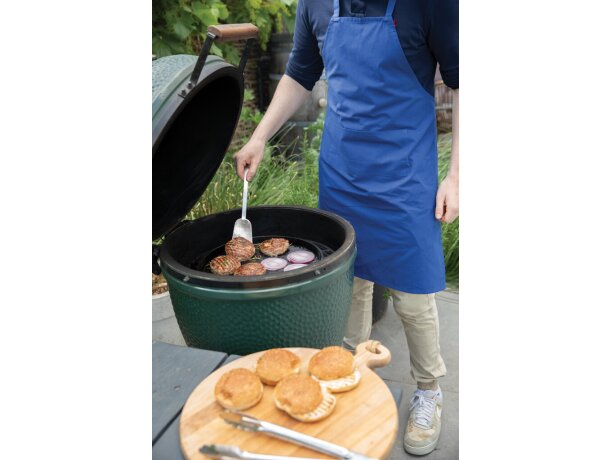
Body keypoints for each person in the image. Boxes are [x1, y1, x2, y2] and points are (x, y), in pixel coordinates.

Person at [234, 0, 458, 454]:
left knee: (414, 297)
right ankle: (351, 381)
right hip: (344, 172)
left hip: (405, 175)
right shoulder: (315, 4)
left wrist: (458, 176)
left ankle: (428, 391)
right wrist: (259, 135)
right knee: (349, 287)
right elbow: (299, 74)